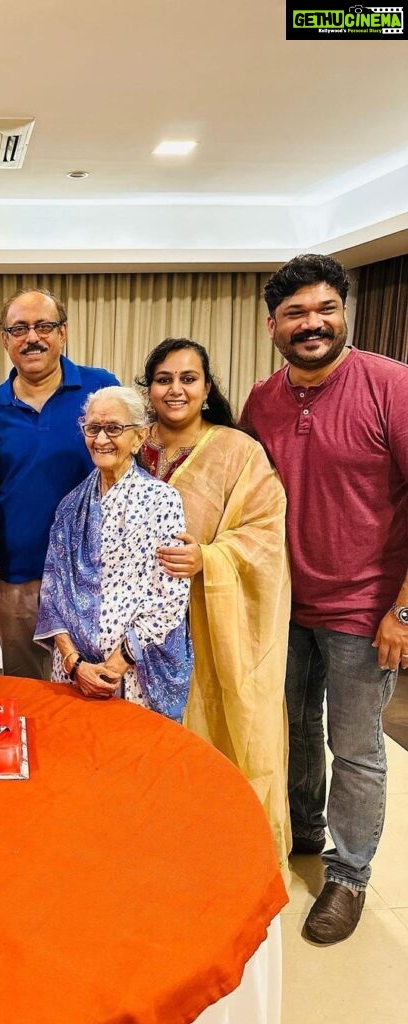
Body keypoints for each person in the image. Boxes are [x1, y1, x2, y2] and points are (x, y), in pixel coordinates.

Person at [241, 253, 408, 945]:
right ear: (273, 325)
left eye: (323, 309)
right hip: (283, 604)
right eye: (294, 314)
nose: (311, 324)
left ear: (344, 312)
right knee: (295, 731)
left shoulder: (390, 385)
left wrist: (402, 610)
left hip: (365, 610)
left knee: (357, 746)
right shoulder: (261, 399)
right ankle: (304, 830)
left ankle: (348, 876)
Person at [138, 338, 291, 874]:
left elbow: (267, 535)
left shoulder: (237, 451)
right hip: (138, 633)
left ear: (207, 388)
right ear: (148, 388)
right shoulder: (131, 445)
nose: (175, 389)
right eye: (163, 378)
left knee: (219, 730)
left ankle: (223, 859)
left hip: (210, 625)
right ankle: (153, 853)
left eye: (188, 378)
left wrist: (210, 558)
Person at [0, 289, 118, 679]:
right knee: (25, 687)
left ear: (62, 333)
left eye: (43, 326)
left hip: (95, 576)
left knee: (91, 692)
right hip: (18, 580)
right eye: (19, 329)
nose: (32, 338)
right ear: (5, 340)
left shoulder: (102, 390)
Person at [34, 386, 192, 720]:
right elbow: (51, 594)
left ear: (139, 437)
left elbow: (170, 597)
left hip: (136, 672)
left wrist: (116, 664)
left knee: (132, 764)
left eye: (114, 428)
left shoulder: (162, 501)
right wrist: (75, 663)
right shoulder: (69, 507)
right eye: (93, 428)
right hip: (75, 673)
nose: (101, 439)